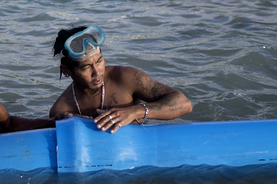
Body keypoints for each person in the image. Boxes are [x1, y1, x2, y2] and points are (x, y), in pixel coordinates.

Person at [49, 25, 192, 133]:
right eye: (86, 67)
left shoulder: (125, 78)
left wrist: (134, 112)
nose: (97, 72)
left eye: (99, 61)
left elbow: (184, 104)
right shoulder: (61, 110)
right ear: (66, 71)